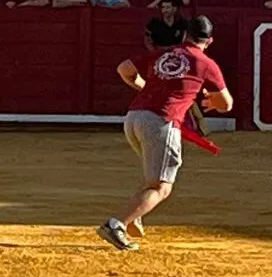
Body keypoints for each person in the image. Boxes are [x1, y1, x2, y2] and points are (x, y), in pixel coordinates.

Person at [97, 16, 232, 251]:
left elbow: (124, 69)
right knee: (161, 186)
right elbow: (226, 104)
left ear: (183, 34)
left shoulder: (163, 52)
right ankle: (116, 224)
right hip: (161, 122)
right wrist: (213, 102)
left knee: (153, 176)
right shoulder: (205, 63)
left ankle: (133, 215)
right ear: (209, 41)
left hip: (134, 118)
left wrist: (143, 86)